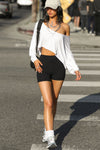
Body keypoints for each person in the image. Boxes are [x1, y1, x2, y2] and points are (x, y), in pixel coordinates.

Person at [29, 0, 81, 148]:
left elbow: (67, 50)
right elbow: (33, 45)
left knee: (54, 101)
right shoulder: (40, 25)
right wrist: (35, 59)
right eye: (47, 9)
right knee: (48, 101)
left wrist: (74, 68)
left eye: (52, 8)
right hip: (43, 65)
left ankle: (47, 128)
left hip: (58, 67)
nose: (49, 11)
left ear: (58, 9)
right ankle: (51, 138)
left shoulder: (65, 27)